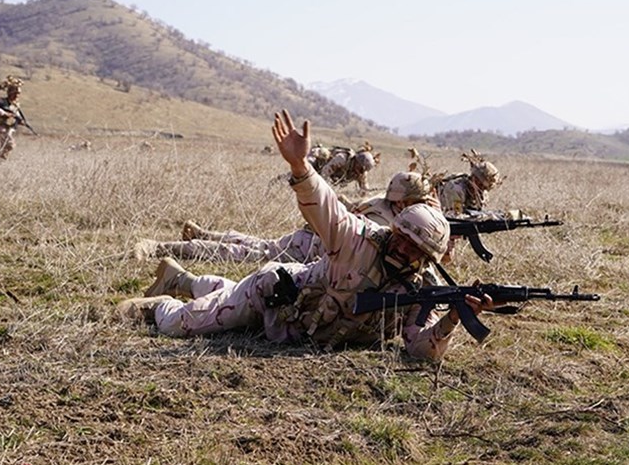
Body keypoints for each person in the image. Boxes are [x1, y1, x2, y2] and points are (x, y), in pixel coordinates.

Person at [118, 109, 493, 361]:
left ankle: (183, 278)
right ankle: (159, 305)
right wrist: (299, 166)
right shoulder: (359, 240)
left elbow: (419, 349)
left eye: (414, 247)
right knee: (180, 325)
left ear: (426, 258)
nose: (402, 246)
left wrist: (454, 319)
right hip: (272, 298)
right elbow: (325, 205)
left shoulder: (422, 291)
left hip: (296, 332)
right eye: (402, 236)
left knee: (226, 294)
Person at [133, 170, 436, 265]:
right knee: (240, 253)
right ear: (406, 202)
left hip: (311, 240)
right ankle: (161, 248)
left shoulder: (381, 204)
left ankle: (204, 234)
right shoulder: (389, 221)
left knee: (256, 244)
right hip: (310, 249)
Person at [436, 149, 502, 215]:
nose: (482, 189)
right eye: (481, 185)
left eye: (485, 187)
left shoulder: (483, 194)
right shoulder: (457, 189)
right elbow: (454, 217)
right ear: (474, 178)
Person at [0, 75, 28, 160]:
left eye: (18, 94)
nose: (17, 96)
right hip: (0, 126)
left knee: (6, 146)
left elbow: (16, 114)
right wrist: (4, 113)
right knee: (10, 144)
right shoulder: (1, 101)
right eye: (15, 93)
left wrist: (20, 121)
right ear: (10, 93)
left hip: (10, 127)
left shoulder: (16, 105)